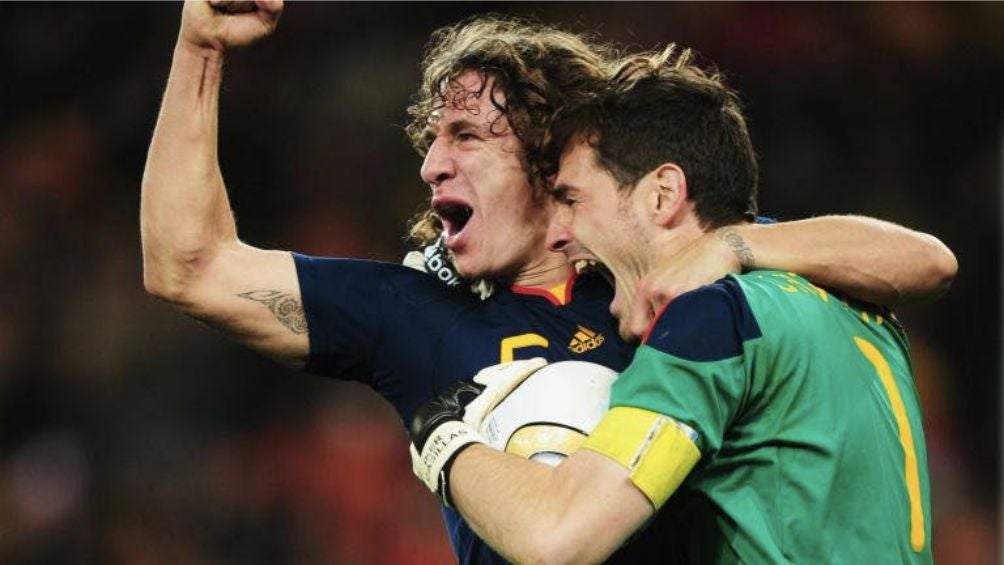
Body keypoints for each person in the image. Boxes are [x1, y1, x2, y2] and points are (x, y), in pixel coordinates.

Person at [142, 1, 954, 563]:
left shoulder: (666, 277)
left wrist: (739, 244)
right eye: (431, 138)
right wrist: (199, 49)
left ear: (546, 160)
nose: (430, 164)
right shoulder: (412, 312)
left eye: (465, 134)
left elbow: (921, 259)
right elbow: (189, 264)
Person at [409, 45, 939, 563]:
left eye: (571, 199)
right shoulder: (843, 292)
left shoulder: (711, 319)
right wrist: (729, 245)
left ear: (662, 195)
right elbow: (933, 260)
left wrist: (443, 436)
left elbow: (562, 538)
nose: (559, 233)